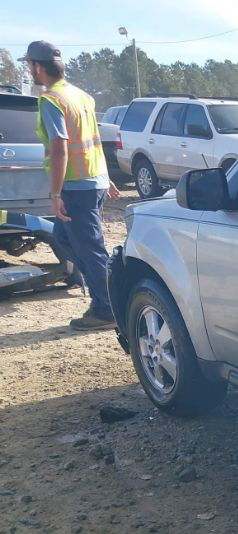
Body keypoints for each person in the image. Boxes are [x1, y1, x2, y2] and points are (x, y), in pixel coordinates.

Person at [19, 40, 120, 330]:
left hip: (77, 187)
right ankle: (103, 298)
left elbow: (61, 147)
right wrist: (106, 176)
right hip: (91, 181)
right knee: (64, 239)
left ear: (38, 67)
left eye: (29, 65)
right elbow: (92, 140)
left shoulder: (51, 99)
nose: (30, 71)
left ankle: (107, 309)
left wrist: (55, 193)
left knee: (90, 249)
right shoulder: (81, 96)